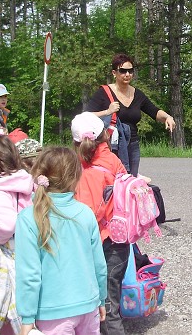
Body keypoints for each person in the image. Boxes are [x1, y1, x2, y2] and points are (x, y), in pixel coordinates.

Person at [15, 146, 107, 335]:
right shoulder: (85, 213)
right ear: (76, 177)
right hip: (88, 305)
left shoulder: (28, 218)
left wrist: (27, 317)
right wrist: (102, 299)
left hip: (51, 312)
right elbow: (100, 264)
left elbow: (29, 274)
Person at [71, 111, 128, 335]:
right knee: (111, 302)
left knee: (85, 301)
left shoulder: (71, 166)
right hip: (115, 238)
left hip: (83, 241)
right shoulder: (113, 160)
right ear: (105, 135)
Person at [0, 135, 35, 335]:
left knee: (10, 308)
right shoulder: (27, 182)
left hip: (10, 255)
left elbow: (5, 225)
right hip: (31, 251)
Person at [86, 53, 175, 176]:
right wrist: (107, 112)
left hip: (132, 144)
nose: (127, 74)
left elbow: (154, 111)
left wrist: (167, 117)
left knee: (130, 180)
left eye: (130, 71)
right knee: (112, 181)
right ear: (114, 73)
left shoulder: (137, 94)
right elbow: (85, 116)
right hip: (110, 145)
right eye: (122, 71)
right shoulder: (104, 92)